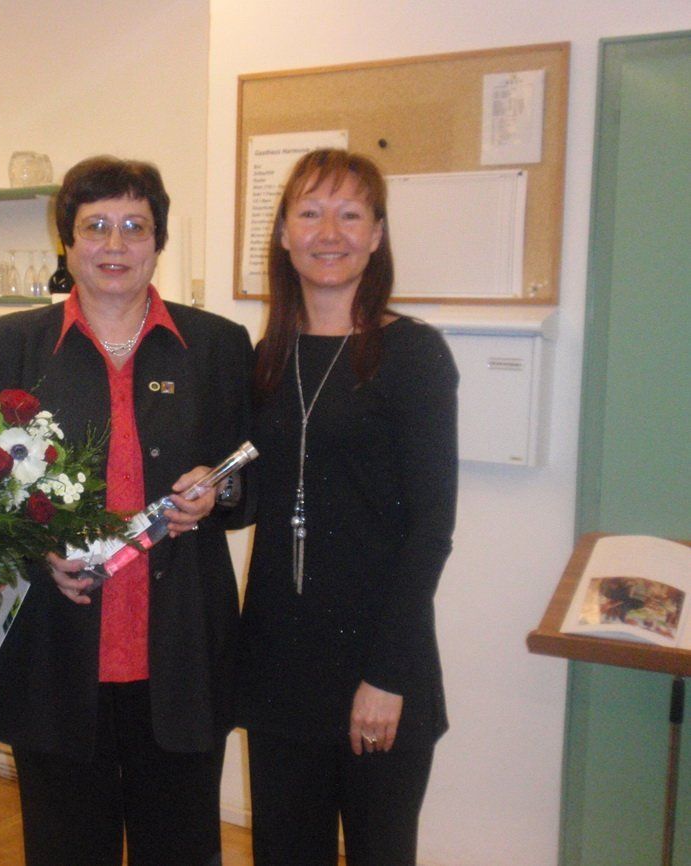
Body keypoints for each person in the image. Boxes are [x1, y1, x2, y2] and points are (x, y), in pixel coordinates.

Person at [0, 155, 253, 866]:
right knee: (65, 850)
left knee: (180, 852)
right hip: (53, 656)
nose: (114, 244)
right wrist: (36, 551)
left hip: (179, 658)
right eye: (95, 226)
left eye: (134, 226)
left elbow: (250, 488)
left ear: (158, 241)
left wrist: (218, 491)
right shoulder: (9, 346)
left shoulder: (216, 346)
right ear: (66, 241)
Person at [237, 149, 458, 866]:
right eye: (309, 212)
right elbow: (251, 499)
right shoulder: (266, 357)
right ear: (282, 234)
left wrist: (387, 675)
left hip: (379, 662)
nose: (328, 232)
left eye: (350, 214)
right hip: (279, 663)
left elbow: (432, 528)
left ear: (376, 234)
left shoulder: (414, 355)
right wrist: (208, 492)